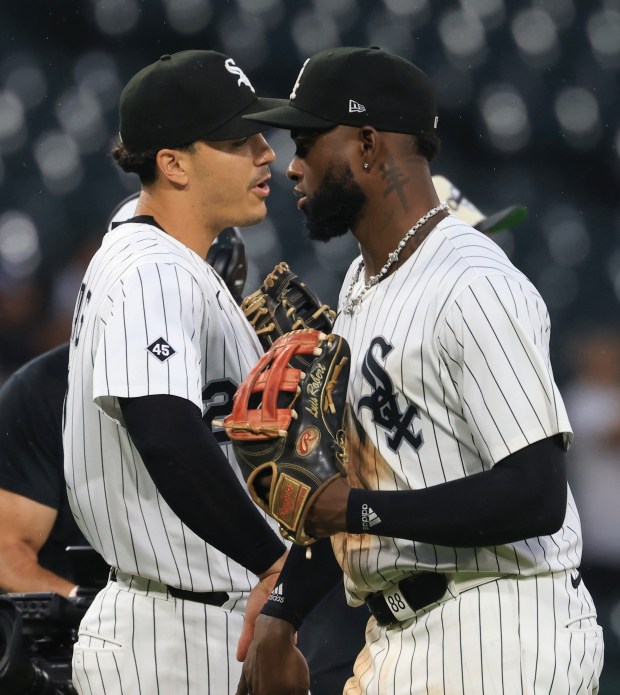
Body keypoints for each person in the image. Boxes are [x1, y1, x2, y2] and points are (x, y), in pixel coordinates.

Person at [236, 46, 605, 695]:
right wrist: (281, 614)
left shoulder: (475, 283)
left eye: (307, 140)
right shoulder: (359, 283)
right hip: (400, 636)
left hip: (500, 631)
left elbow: (537, 491)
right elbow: (354, 493)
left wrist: (354, 506)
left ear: (369, 145)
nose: (292, 166)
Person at [63, 50, 288, 695]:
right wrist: (274, 565)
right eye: (238, 140)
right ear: (173, 163)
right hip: (173, 639)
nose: (265, 152)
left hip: (185, 622)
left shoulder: (153, 249)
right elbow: (164, 433)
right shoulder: (150, 267)